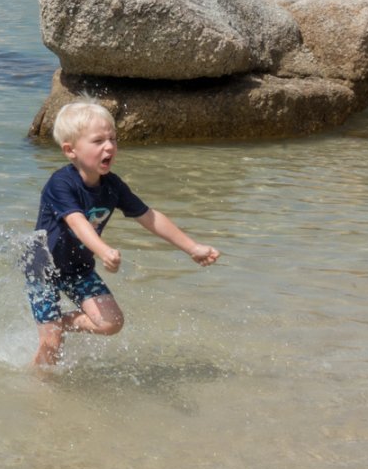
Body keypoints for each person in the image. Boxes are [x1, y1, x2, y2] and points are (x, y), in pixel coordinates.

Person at [22, 101, 220, 367]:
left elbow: (149, 216)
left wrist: (192, 248)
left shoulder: (113, 185)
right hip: (43, 270)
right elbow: (78, 223)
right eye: (98, 141)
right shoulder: (61, 183)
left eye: (113, 138)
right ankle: (38, 386)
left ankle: (59, 324)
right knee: (52, 345)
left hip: (79, 268)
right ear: (70, 150)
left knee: (111, 323)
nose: (109, 146)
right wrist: (104, 251)